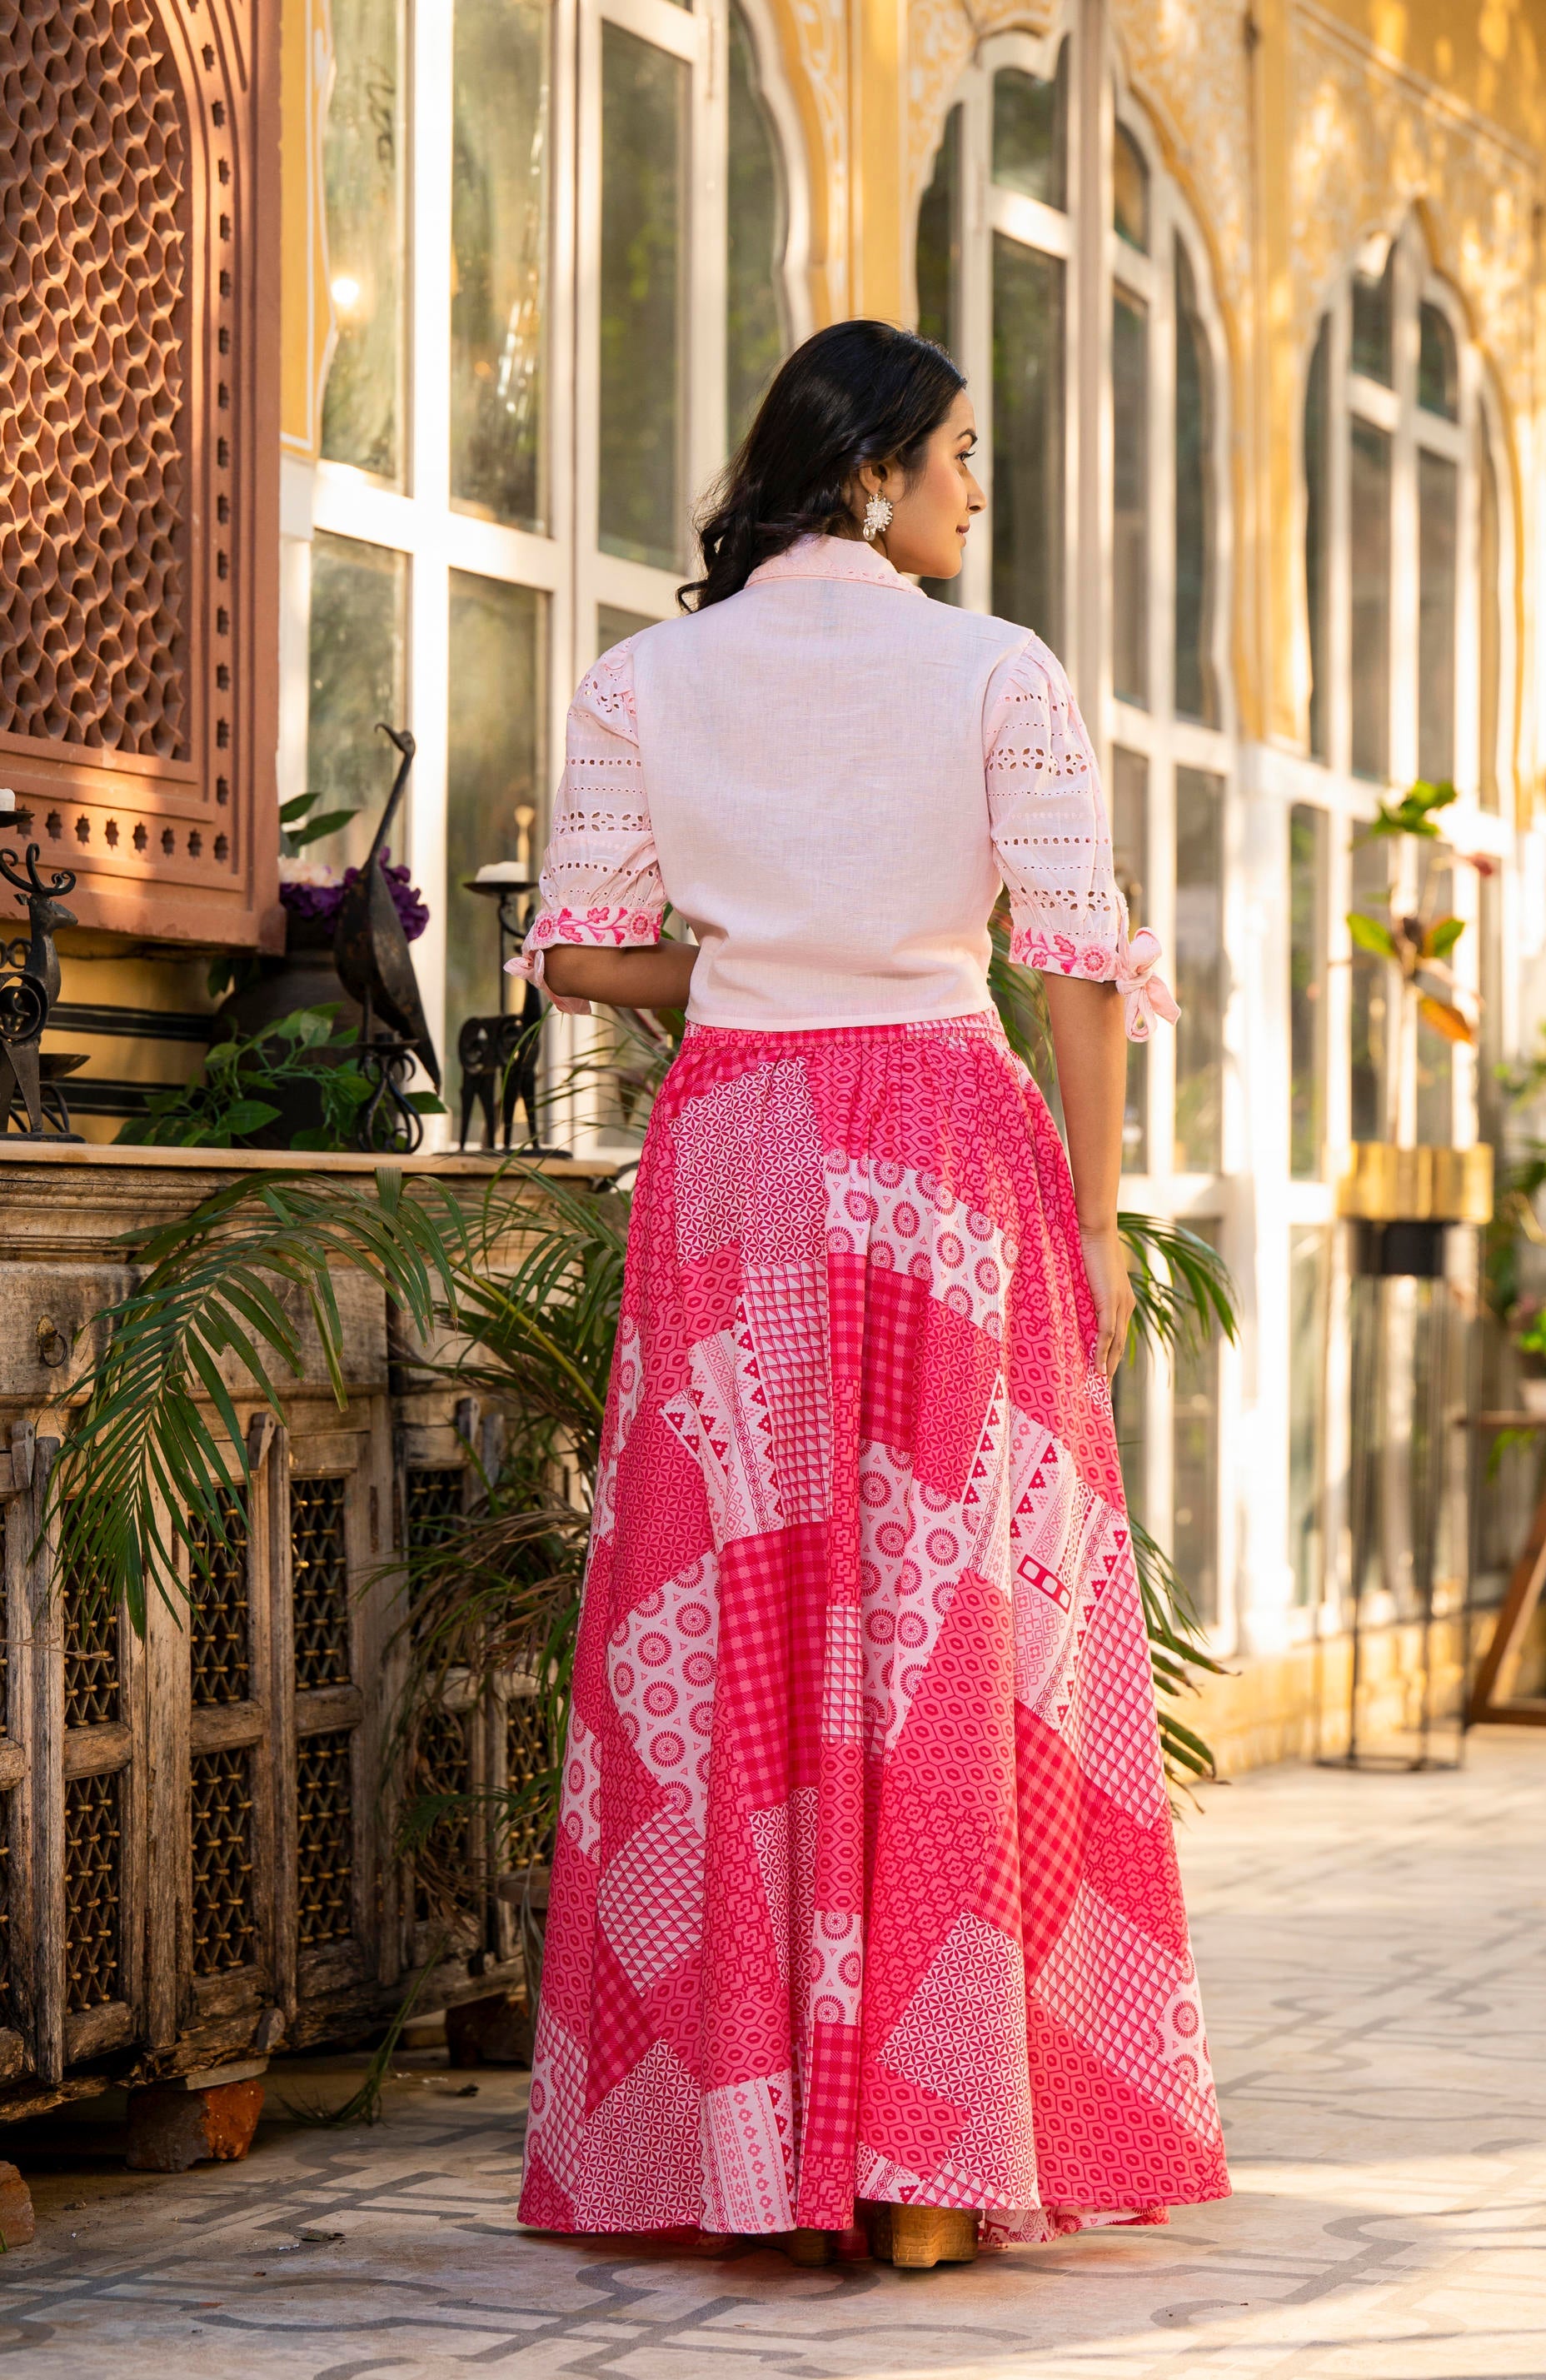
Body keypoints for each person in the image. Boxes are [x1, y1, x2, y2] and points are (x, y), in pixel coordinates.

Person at [508, 319, 1229, 2268]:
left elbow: (577, 961)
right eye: (964, 456)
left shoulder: (641, 678)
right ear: (873, 471)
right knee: (942, 1617)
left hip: (739, 1153)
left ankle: (742, 2155)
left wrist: (748, 969)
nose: (975, 494)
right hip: (941, 1154)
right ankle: (926, 2161)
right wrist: (1089, 1211)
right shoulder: (997, 671)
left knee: (729, 1610)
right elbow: (1075, 965)